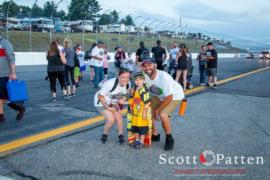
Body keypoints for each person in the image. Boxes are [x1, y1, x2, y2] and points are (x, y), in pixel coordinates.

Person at [142, 58, 185, 151]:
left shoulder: (163, 77)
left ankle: (169, 138)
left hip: (175, 96)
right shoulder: (144, 76)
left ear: (155, 65)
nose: (147, 68)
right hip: (160, 96)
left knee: (162, 114)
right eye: (145, 66)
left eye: (149, 65)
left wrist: (157, 110)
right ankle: (155, 134)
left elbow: (169, 97)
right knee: (146, 108)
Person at [94, 69, 131, 144]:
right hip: (101, 102)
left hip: (113, 101)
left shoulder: (128, 83)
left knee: (119, 117)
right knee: (111, 119)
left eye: (127, 77)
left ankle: (120, 135)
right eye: (123, 77)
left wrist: (123, 98)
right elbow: (100, 96)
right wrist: (107, 107)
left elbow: (127, 93)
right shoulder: (110, 83)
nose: (126, 79)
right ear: (118, 77)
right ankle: (105, 134)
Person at [0, 34, 26, 122]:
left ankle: (19, 108)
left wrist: (13, 73)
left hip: (4, 75)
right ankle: (1, 115)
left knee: (5, 98)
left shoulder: (5, 44)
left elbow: (11, 59)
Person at [128, 72, 151, 149]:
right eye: (136, 80)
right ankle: (137, 140)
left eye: (140, 79)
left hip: (142, 112)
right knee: (135, 127)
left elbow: (148, 102)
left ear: (143, 80)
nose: (138, 81)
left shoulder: (144, 90)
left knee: (142, 128)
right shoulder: (134, 89)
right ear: (134, 81)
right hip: (135, 112)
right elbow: (132, 100)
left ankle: (141, 142)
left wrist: (144, 112)